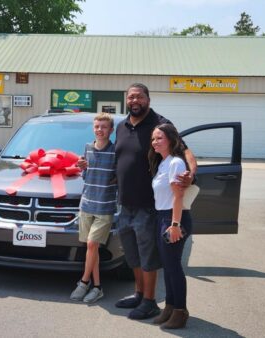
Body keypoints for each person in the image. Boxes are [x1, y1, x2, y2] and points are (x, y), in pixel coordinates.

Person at [114, 83, 197, 320]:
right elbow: (116, 157)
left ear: (148, 99)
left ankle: (150, 301)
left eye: (139, 96)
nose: (135, 100)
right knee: (133, 256)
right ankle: (139, 293)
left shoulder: (160, 124)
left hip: (149, 206)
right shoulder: (121, 126)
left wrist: (191, 174)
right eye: (131, 97)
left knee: (148, 256)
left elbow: (185, 151)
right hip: (125, 204)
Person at [70, 113, 117, 303]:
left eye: (104, 127)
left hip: (104, 207)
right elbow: (86, 176)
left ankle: (83, 282)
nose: (100, 130)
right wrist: (83, 168)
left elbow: (118, 177)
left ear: (111, 130)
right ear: (93, 128)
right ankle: (97, 287)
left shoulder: (116, 151)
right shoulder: (87, 148)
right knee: (93, 248)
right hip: (87, 204)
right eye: (97, 126)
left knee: (91, 244)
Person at [149, 123, 192, 329]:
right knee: (167, 266)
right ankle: (170, 307)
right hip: (162, 217)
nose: (155, 142)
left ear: (171, 140)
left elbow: (179, 196)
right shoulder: (163, 163)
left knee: (173, 267)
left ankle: (180, 311)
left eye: (159, 138)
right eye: (153, 139)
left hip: (174, 218)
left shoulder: (176, 162)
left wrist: (174, 224)